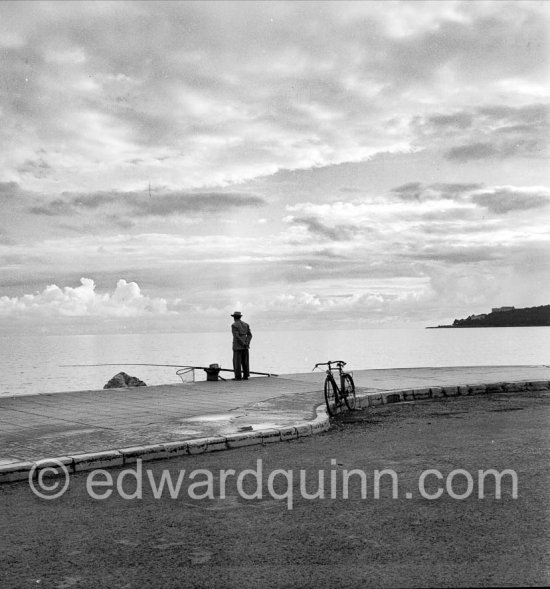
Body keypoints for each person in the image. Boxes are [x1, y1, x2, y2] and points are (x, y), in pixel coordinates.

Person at [231, 311, 252, 380]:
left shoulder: (234, 325)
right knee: (245, 361)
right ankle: (246, 375)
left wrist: (243, 343)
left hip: (238, 346)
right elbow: (249, 335)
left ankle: (238, 376)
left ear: (234, 317)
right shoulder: (246, 324)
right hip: (245, 346)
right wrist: (247, 342)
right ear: (240, 317)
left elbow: (236, 336)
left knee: (237, 362)